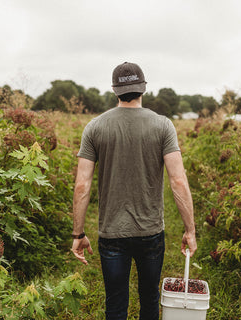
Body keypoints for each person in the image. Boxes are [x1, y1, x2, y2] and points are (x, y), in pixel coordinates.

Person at [70, 62, 196, 320]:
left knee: (115, 304)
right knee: (150, 298)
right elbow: (178, 181)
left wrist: (78, 233)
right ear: (143, 89)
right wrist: (190, 230)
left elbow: (82, 184)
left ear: (115, 90)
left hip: (112, 234)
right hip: (151, 232)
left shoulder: (94, 127)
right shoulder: (163, 126)